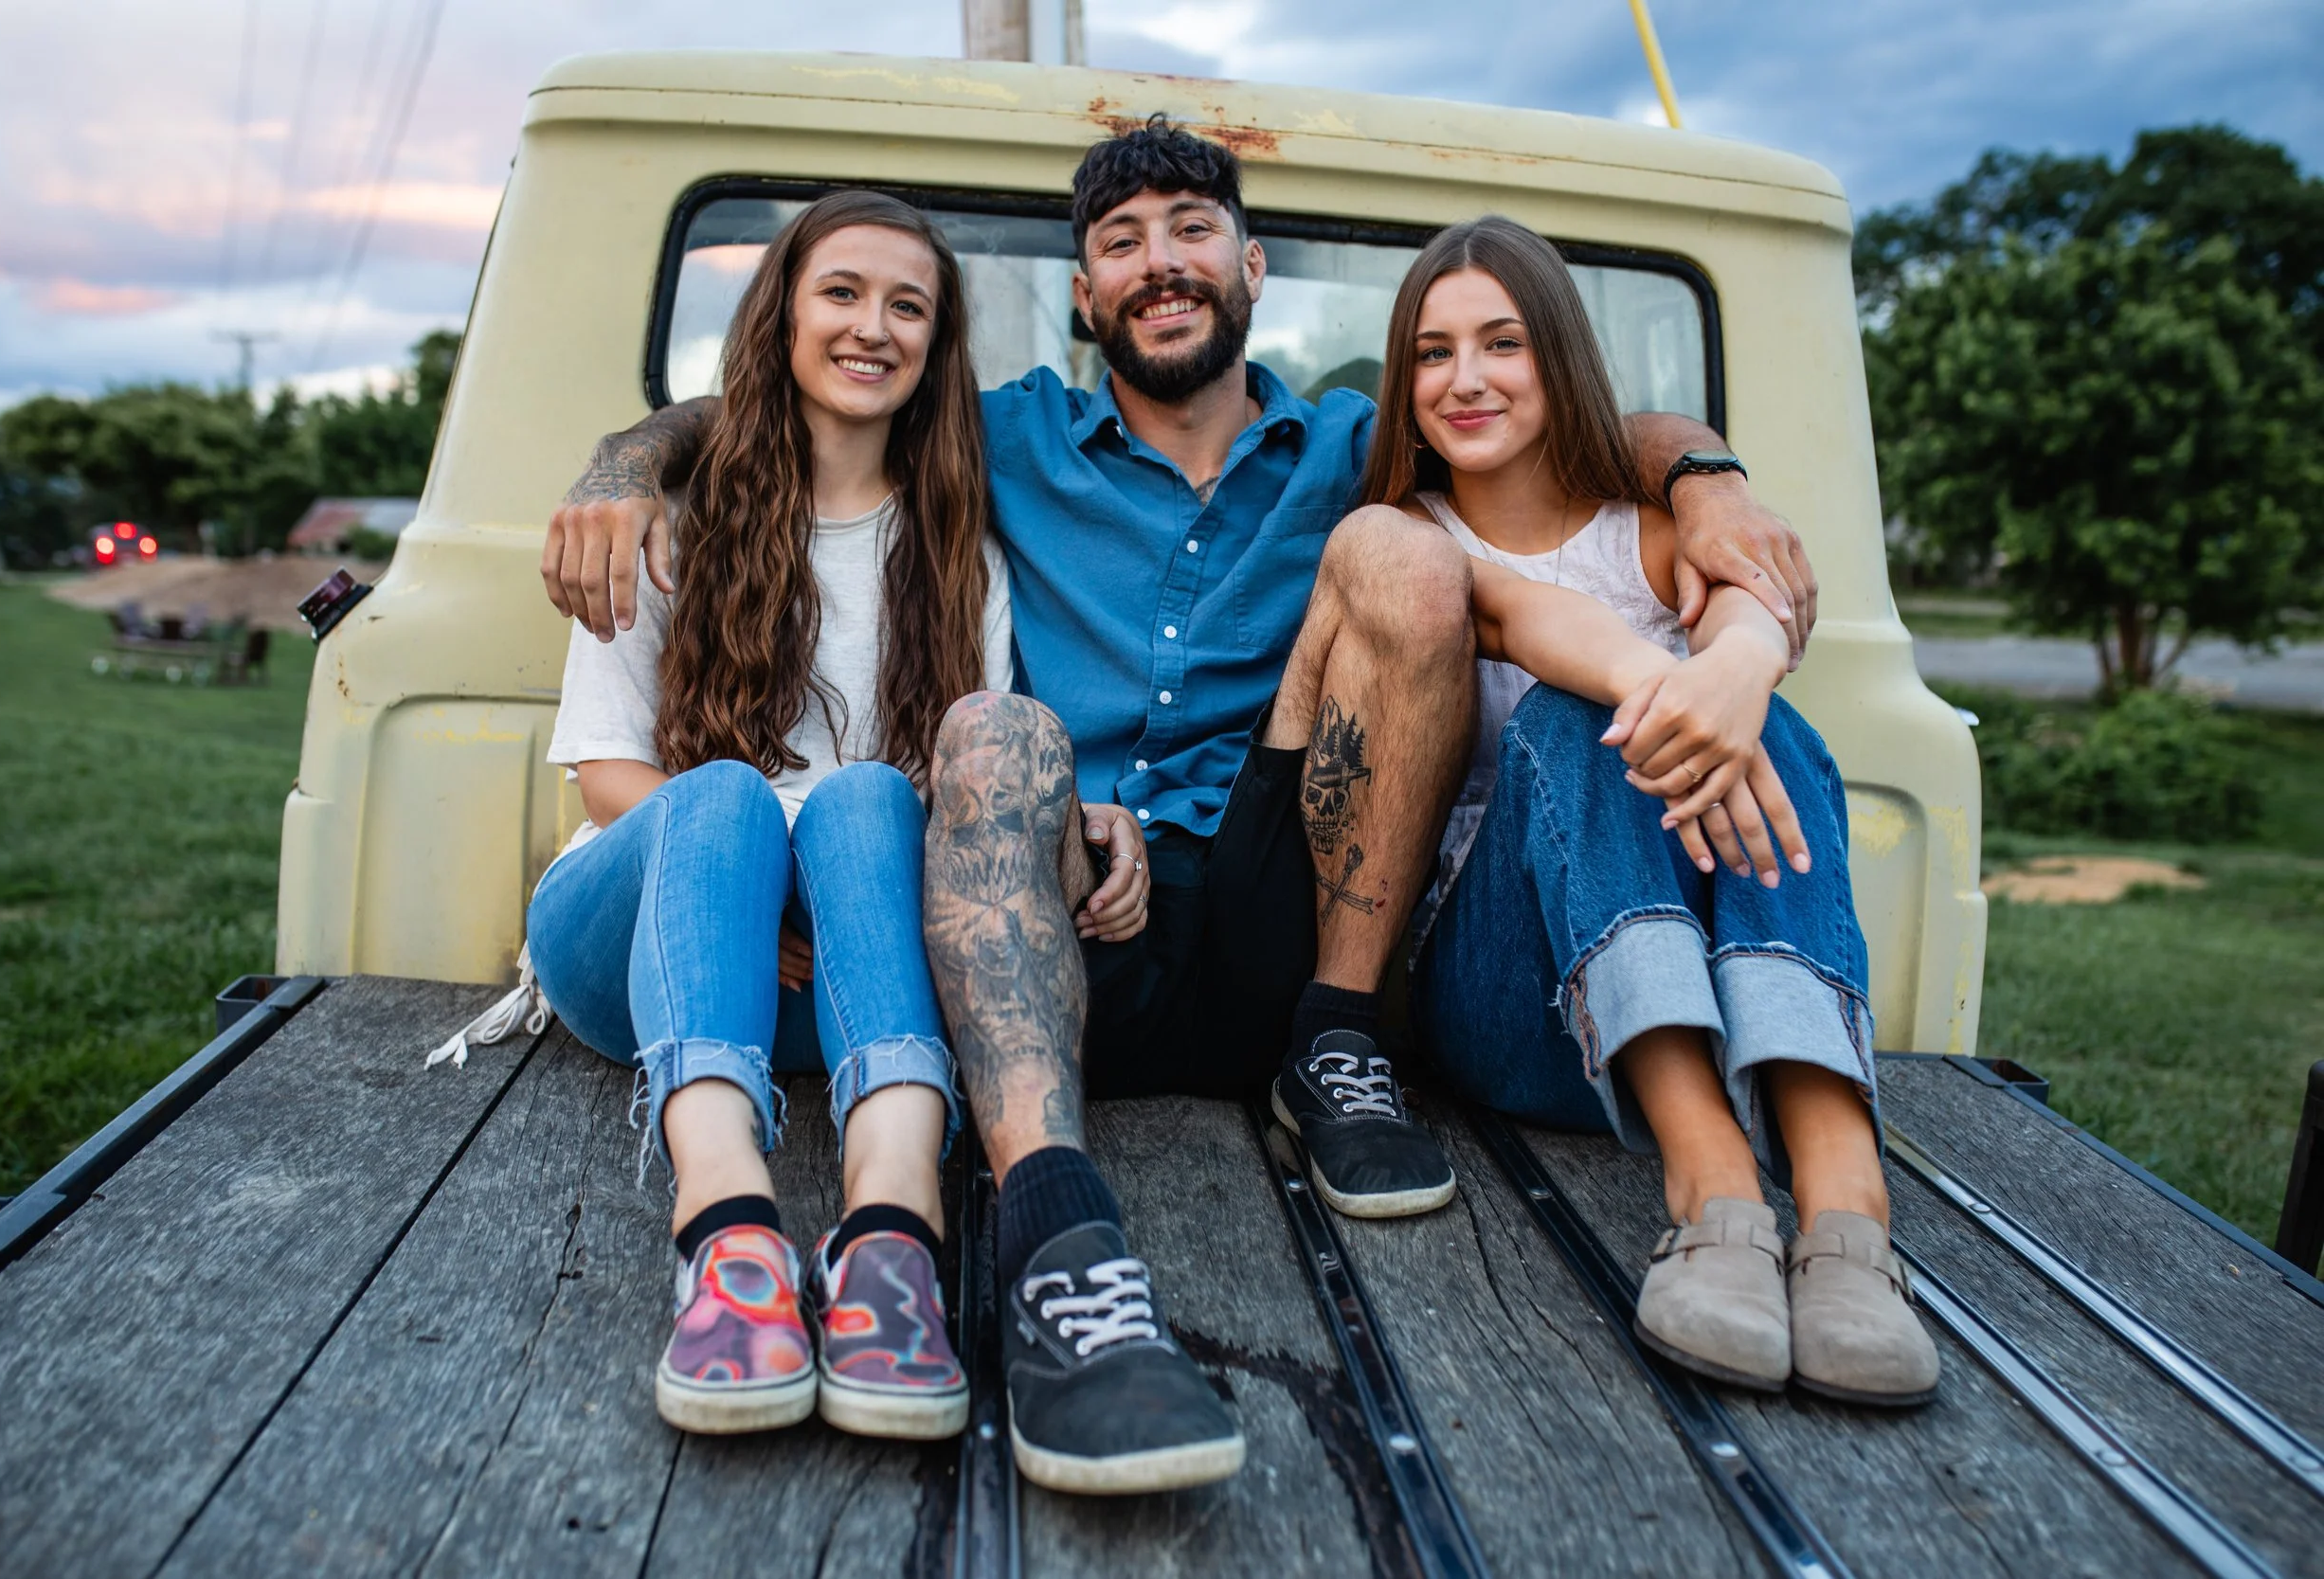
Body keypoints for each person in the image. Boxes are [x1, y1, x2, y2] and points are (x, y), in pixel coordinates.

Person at [542, 120, 1822, 1489]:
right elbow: (799, 393)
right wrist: (625, 458)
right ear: (1086, 292)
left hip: (1282, 875)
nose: (1160, 263)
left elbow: (1559, 418)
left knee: (1398, 551)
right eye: (1119, 241)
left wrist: (1705, 468)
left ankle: (1335, 1046)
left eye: (1192, 229)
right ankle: (1052, 1233)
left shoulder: (1354, 439)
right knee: (996, 728)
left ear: (1251, 264)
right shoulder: (999, 436)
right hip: (1061, 907)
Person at [522, 192, 1089, 1444]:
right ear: (782, 311)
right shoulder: (668, 520)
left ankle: (891, 1239)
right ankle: (727, 1231)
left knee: (881, 794)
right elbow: (610, 779)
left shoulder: (959, 554)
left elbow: (943, 801)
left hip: (832, 973)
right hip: (636, 940)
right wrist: (774, 882)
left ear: (936, 348)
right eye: (842, 292)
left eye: (909, 306)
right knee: (722, 793)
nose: (872, 325)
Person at [1381, 216, 1937, 1406]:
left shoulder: (1654, 532)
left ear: (1562, 358)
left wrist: (1741, 673)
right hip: (1500, 1001)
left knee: (1776, 730)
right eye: (1432, 352)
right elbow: (1543, 628)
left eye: (1502, 342)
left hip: (1709, 991)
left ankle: (1846, 1204)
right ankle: (1714, 1184)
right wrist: (1695, 685)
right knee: (1577, 715)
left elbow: (1745, 604)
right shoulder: (1407, 546)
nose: (1465, 379)